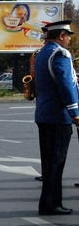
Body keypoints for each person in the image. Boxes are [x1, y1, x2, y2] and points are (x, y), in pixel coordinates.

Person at [33, 20, 79, 215]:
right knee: (56, 162)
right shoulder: (60, 54)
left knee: (49, 161)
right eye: (68, 35)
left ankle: (50, 202)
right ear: (61, 35)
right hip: (58, 116)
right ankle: (50, 203)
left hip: (44, 114)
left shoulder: (42, 53)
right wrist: (75, 112)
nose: (69, 39)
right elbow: (66, 84)